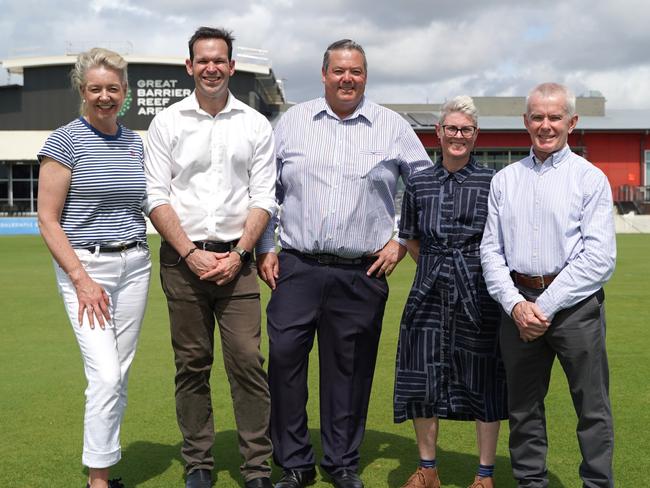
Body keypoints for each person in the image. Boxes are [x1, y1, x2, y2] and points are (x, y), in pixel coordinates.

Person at [256, 39, 433, 488]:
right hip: (297, 266)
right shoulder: (291, 123)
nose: (347, 78)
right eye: (339, 70)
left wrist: (403, 239)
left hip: (363, 272)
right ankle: (295, 463)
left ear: (365, 76)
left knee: (349, 373)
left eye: (355, 71)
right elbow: (264, 191)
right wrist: (266, 246)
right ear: (324, 74)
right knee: (284, 360)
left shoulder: (391, 126)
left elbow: (425, 187)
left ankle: (341, 463)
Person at [144, 26, 276, 488]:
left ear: (232, 67)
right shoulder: (167, 123)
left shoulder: (255, 124)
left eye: (219, 60)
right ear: (190, 66)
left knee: (246, 361)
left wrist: (241, 253)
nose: (211, 67)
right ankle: (198, 463)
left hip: (237, 265)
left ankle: (257, 467)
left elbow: (263, 197)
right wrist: (190, 253)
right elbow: (156, 196)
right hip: (183, 265)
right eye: (203, 60)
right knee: (192, 365)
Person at [480, 82, 616, 488]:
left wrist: (544, 306)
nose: (545, 124)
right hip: (518, 307)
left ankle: (597, 483)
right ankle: (530, 482)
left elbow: (599, 258)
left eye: (554, 116)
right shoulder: (504, 180)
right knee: (522, 410)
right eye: (537, 116)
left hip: (574, 309)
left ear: (571, 122)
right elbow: (491, 252)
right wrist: (517, 305)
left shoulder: (590, 179)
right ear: (525, 122)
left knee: (592, 408)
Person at [37, 48, 151, 488]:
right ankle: (98, 483)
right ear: (82, 91)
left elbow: (145, 201)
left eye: (113, 88)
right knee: (104, 374)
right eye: (95, 88)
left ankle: (101, 473)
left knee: (117, 375)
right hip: (86, 268)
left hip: (135, 264)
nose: (105, 96)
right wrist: (82, 281)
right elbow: (47, 219)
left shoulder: (133, 141)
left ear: (125, 92)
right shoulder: (64, 141)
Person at [395, 96, 508, 488]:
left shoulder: (493, 182)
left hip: (478, 293)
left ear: (475, 136)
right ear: (438, 133)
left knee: (483, 378)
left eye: (466, 130)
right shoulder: (419, 182)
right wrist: (435, 268)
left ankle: (484, 474)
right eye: (452, 128)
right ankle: (428, 468)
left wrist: (464, 270)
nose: (458, 136)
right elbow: (409, 237)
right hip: (427, 291)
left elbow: (501, 241)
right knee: (421, 375)